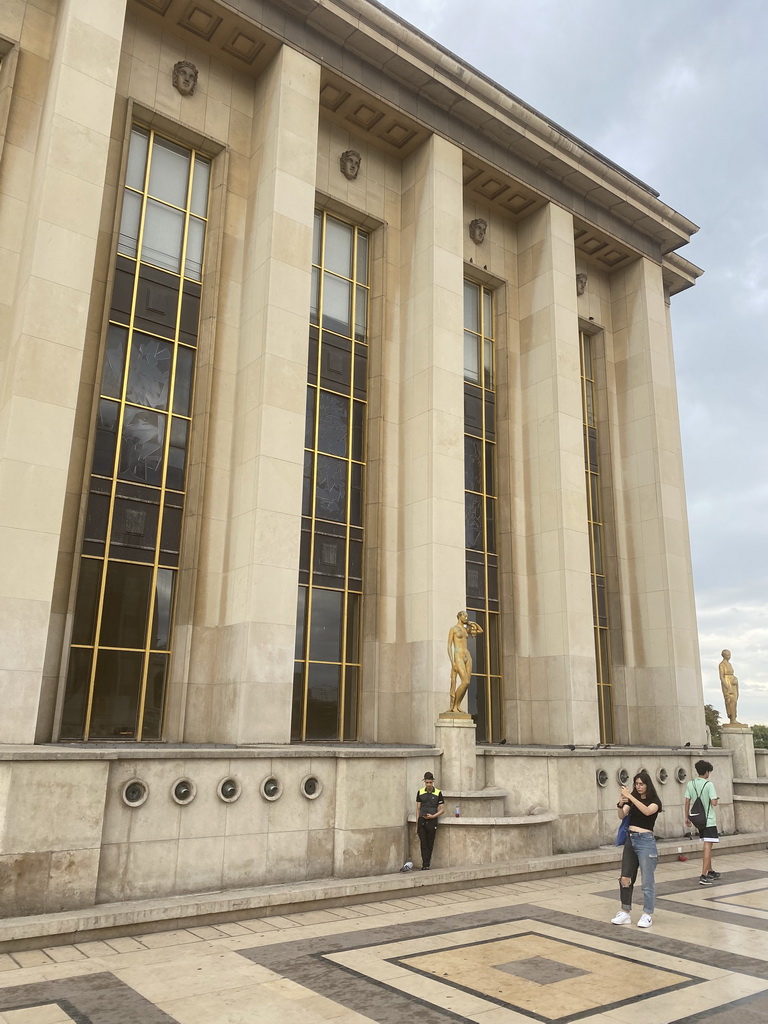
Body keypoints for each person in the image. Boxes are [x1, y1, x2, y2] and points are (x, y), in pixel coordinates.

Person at [611, 770, 662, 929]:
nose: (638, 787)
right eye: (636, 784)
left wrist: (631, 797)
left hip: (646, 841)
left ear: (647, 785)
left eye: (641, 784)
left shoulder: (655, 801)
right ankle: (625, 911)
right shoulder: (632, 800)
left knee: (647, 881)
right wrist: (621, 803)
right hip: (630, 840)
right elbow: (622, 815)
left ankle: (647, 914)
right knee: (625, 878)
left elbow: (647, 811)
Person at [685, 759, 720, 885]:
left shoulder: (691, 784)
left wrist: (687, 817)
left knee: (708, 844)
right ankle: (703, 874)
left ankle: (710, 870)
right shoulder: (708, 784)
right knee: (707, 846)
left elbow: (687, 801)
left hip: (698, 819)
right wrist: (715, 799)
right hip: (709, 820)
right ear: (706, 772)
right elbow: (714, 802)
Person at [447, 610, 483, 713]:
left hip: (467, 656)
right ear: (459, 616)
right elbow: (449, 645)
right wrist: (452, 661)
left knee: (467, 683)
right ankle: (454, 705)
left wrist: (472, 623)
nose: (466, 618)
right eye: (465, 616)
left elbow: (480, 631)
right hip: (458, 656)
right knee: (465, 681)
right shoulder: (453, 629)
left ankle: (457, 705)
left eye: (467, 616)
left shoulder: (465, 629)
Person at [416, 771, 445, 870]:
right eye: (427, 782)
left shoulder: (438, 792)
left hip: (432, 820)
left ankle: (427, 863)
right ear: (424, 782)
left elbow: (442, 809)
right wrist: (417, 823)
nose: (428, 784)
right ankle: (425, 864)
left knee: (430, 843)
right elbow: (418, 808)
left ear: (433, 782)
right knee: (423, 843)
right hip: (422, 820)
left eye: (430, 782)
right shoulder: (420, 792)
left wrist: (433, 816)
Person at [719, 650, 741, 724]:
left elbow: (732, 674)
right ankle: (732, 718)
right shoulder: (722, 664)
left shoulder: (730, 664)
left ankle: (734, 718)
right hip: (727, 683)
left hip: (733, 683)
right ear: (724, 655)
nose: (729, 656)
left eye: (730, 655)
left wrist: (736, 679)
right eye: (727, 655)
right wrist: (727, 687)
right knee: (730, 701)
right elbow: (721, 677)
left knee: (734, 700)